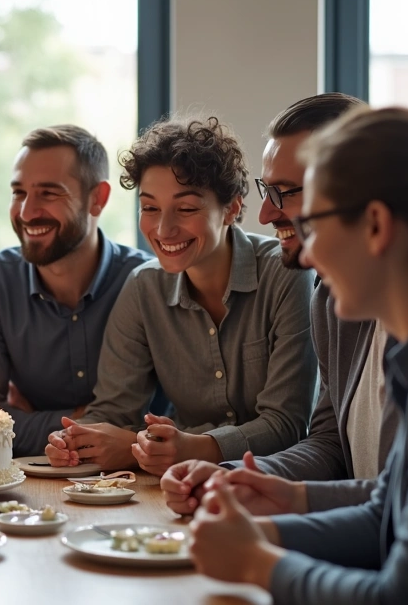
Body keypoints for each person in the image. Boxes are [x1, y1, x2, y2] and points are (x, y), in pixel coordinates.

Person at [188, 106, 408, 603]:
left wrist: (257, 562)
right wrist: (285, 509)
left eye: (314, 221)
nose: (309, 256)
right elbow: (391, 508)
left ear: (376, 225)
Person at [45, 116, 316, 474]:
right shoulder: (144, 287)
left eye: (186, 209)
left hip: (273, 484)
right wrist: (78, 441)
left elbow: (287, 425)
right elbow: (113, 412)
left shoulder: (287, 274)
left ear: (231, 209)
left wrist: (190, 446)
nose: (163, 229)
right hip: (177, 484)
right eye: (150, 208)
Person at [0, 125, 152, 456]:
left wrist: (27, 422)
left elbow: (162, 421)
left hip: (137, 480)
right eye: (19, 193)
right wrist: (79, 423)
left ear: (97, 199)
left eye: (48, 193)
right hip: (26, 483)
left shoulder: (147, 282)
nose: (27, 212)